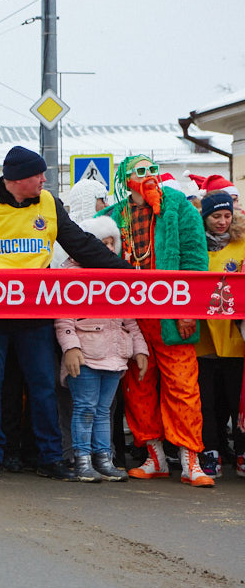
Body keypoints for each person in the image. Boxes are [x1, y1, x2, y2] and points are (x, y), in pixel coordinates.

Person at [0, 145, 130, 481]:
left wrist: (127, 273)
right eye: (38, 174)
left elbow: (81, 244)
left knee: (42, 386)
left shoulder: (49, 204)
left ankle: (50, 458)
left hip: (35, 313)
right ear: (18, 179)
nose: (44, 179)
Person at [102, 155, 212, 486]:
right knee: (138, 385)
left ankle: (191, 459)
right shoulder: (115, 215)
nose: (149, 176)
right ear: (126, 179)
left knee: (183, 384)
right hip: (132, 318)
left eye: (152, 170)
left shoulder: (178, 205)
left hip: (171, 314)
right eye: (141, 171)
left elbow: (195, 259)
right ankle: (155, 457)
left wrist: (188, 310)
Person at [54, 215, 146, 483]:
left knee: (104, 410)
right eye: (100, 242)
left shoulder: (117, 273)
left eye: (110, 243)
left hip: (114, 356)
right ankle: (81, 459)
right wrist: (70, 348)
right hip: (85, 356)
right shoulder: (70, 274)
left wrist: (140, 348)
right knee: (84, 408)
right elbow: (63, 317)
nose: (106, 248)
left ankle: (103, 458)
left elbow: (129, 318)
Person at [196, 191, 245, 478]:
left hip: (235, 339)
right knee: (206, 402)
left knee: (236, 400)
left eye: (227, 216)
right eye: (216, 216)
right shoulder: (197, 246)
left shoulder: (241, 245)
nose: (222, 221)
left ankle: (240, 452)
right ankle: (209, 451)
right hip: (203, 339)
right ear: (205, 217)